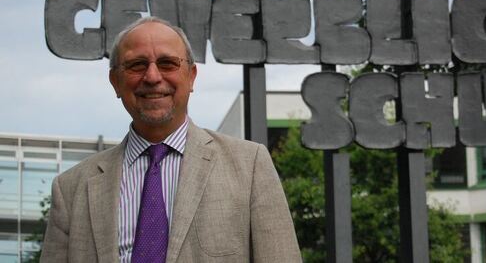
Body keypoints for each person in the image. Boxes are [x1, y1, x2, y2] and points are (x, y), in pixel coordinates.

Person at [41, 17, 301, 262]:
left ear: (192, 77)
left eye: (167, 63)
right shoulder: (71, 189)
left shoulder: (249, 167)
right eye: (137, 65)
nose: (153, 77)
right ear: (115, 82)